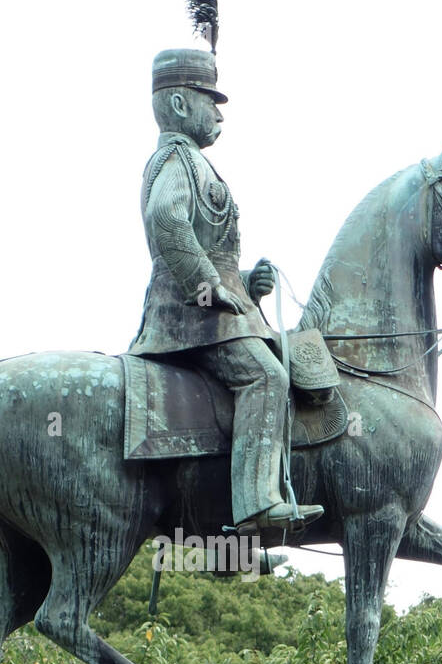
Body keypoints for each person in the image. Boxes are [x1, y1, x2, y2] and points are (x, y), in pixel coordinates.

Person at [129, 47, 324, 535]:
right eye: (207, 99)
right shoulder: (176, 159)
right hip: (190, 315)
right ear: (178, 104)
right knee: (267, 379)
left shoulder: (193, 162)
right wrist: (207, 284)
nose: (218, 113)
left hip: (217, 310)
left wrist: (247, 285)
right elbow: (167, 219)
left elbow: (207, 242)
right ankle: (257, 504)